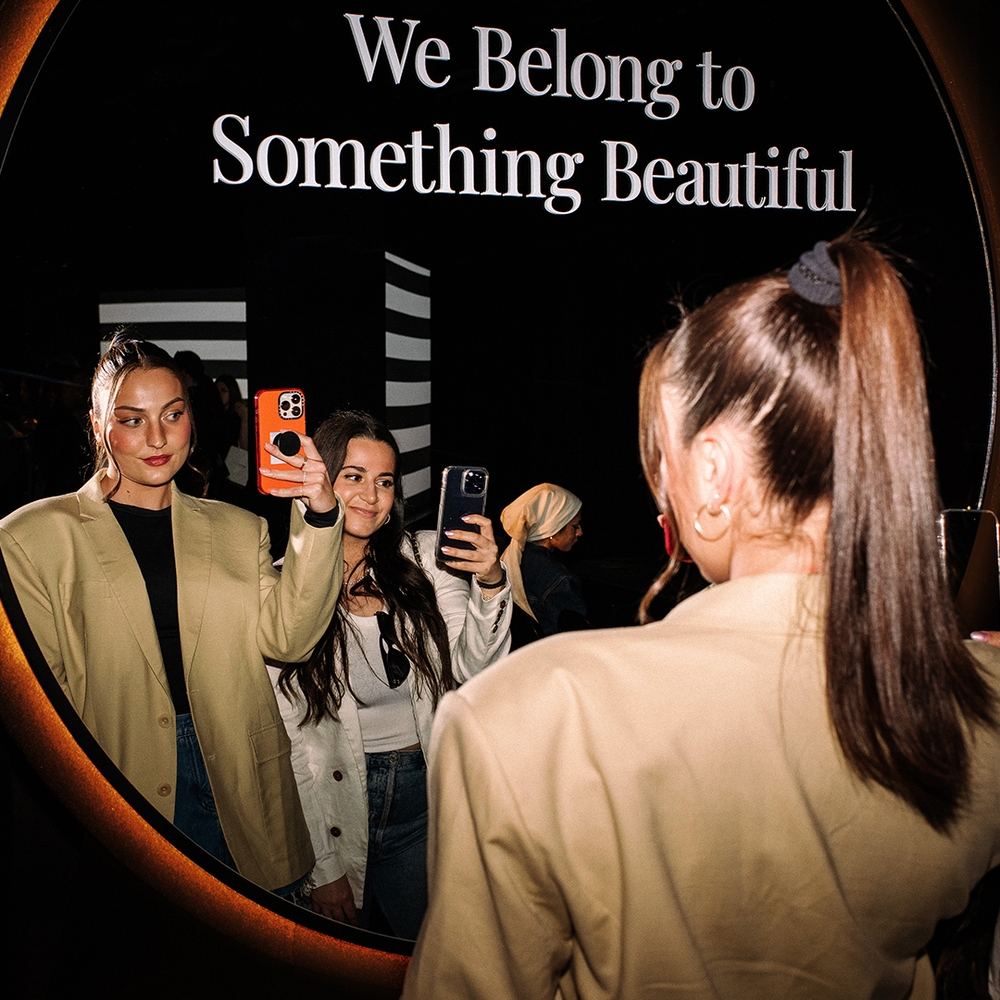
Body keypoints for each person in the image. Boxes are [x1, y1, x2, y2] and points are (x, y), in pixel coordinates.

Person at [401, 236, 1000, 999]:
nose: (661, 493)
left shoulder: (528, 718)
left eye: (663, 459)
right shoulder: (981, 702)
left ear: (712, 474)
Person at [0, 334, 344, 893]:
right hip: (124, 786)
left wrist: (320, 515)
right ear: (98, 426)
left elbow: (290, 641)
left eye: (173, 414)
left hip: (243, 787)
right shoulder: (32, 537)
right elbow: (43, 705)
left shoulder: (239, 528)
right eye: (132, 420)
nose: (157, 438)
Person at [271, 410, 511, 938]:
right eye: (353, 476)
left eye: (384, 481)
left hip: (423, 797)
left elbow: (475, 669)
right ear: (319, 478)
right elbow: (290, 741)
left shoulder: (422, 559)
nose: (371, 495)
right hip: (337, 807)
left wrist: (492, 582)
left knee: (426, 958)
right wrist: (322, 866)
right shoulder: (284, 587)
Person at [500, 483, 587, 643]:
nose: (580, 532)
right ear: (553, 528)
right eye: (575, 526)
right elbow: (576, 639)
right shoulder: (558, 578)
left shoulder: (514, 560)